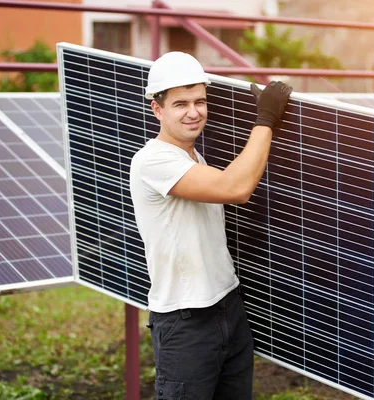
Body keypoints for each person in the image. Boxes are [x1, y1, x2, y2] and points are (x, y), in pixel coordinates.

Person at [129, 51, 292, 400]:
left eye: (200, 101)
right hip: (185, 321)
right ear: (157, 109)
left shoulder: (193, 156)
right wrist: (266, 120)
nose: (194, 112)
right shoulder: (153, 161)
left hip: (228, 307)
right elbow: (236, 188)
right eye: (180, 104)